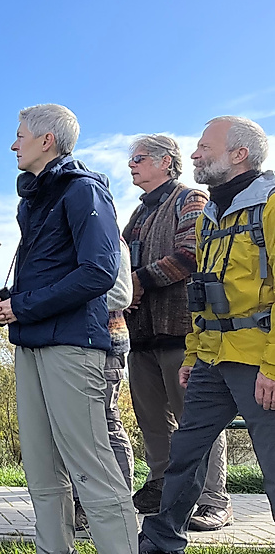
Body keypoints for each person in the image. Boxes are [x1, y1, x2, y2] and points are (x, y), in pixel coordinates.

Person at [0, 104, 137, 554]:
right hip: (33, 342)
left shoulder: (83, 191)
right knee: (41, 469)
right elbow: (57, 269)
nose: (13, 144)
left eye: (20, 135)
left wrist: (23, 305)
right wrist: (11, 296)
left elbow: (99, 272)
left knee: (92, 469)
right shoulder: (37, 197)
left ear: (46, 140)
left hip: (72, 345)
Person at [139, 116, 275, 554]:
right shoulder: (211, 214)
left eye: (203, 146)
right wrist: (194, 356)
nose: (194, 154)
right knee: (185, 456)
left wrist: (273, 366)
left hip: (259, 361)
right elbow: (202, 292)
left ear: (239, 154)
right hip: (210, 361)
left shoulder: (270, 205)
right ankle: (159, 544)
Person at [122, 134, 231, 529]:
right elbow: (119, 263)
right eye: (131, 159)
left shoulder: (191, 200)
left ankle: (213, 499)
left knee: (196, 419)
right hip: (141, 334)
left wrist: (138, 282)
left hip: (183, 330)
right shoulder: (137, 214)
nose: (131, 165)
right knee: (151, 419)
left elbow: (191, 255)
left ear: (167, 162)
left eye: (139, 158)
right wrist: (124, 289)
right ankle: (162, 485)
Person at [73, 244, 136, 531]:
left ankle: (119, 504)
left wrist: (63, 296)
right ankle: (81, 503)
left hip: (107, 343)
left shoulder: (111, 240)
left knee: (106, 423)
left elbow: (122, 294)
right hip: (75, 344)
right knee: (76, 428)